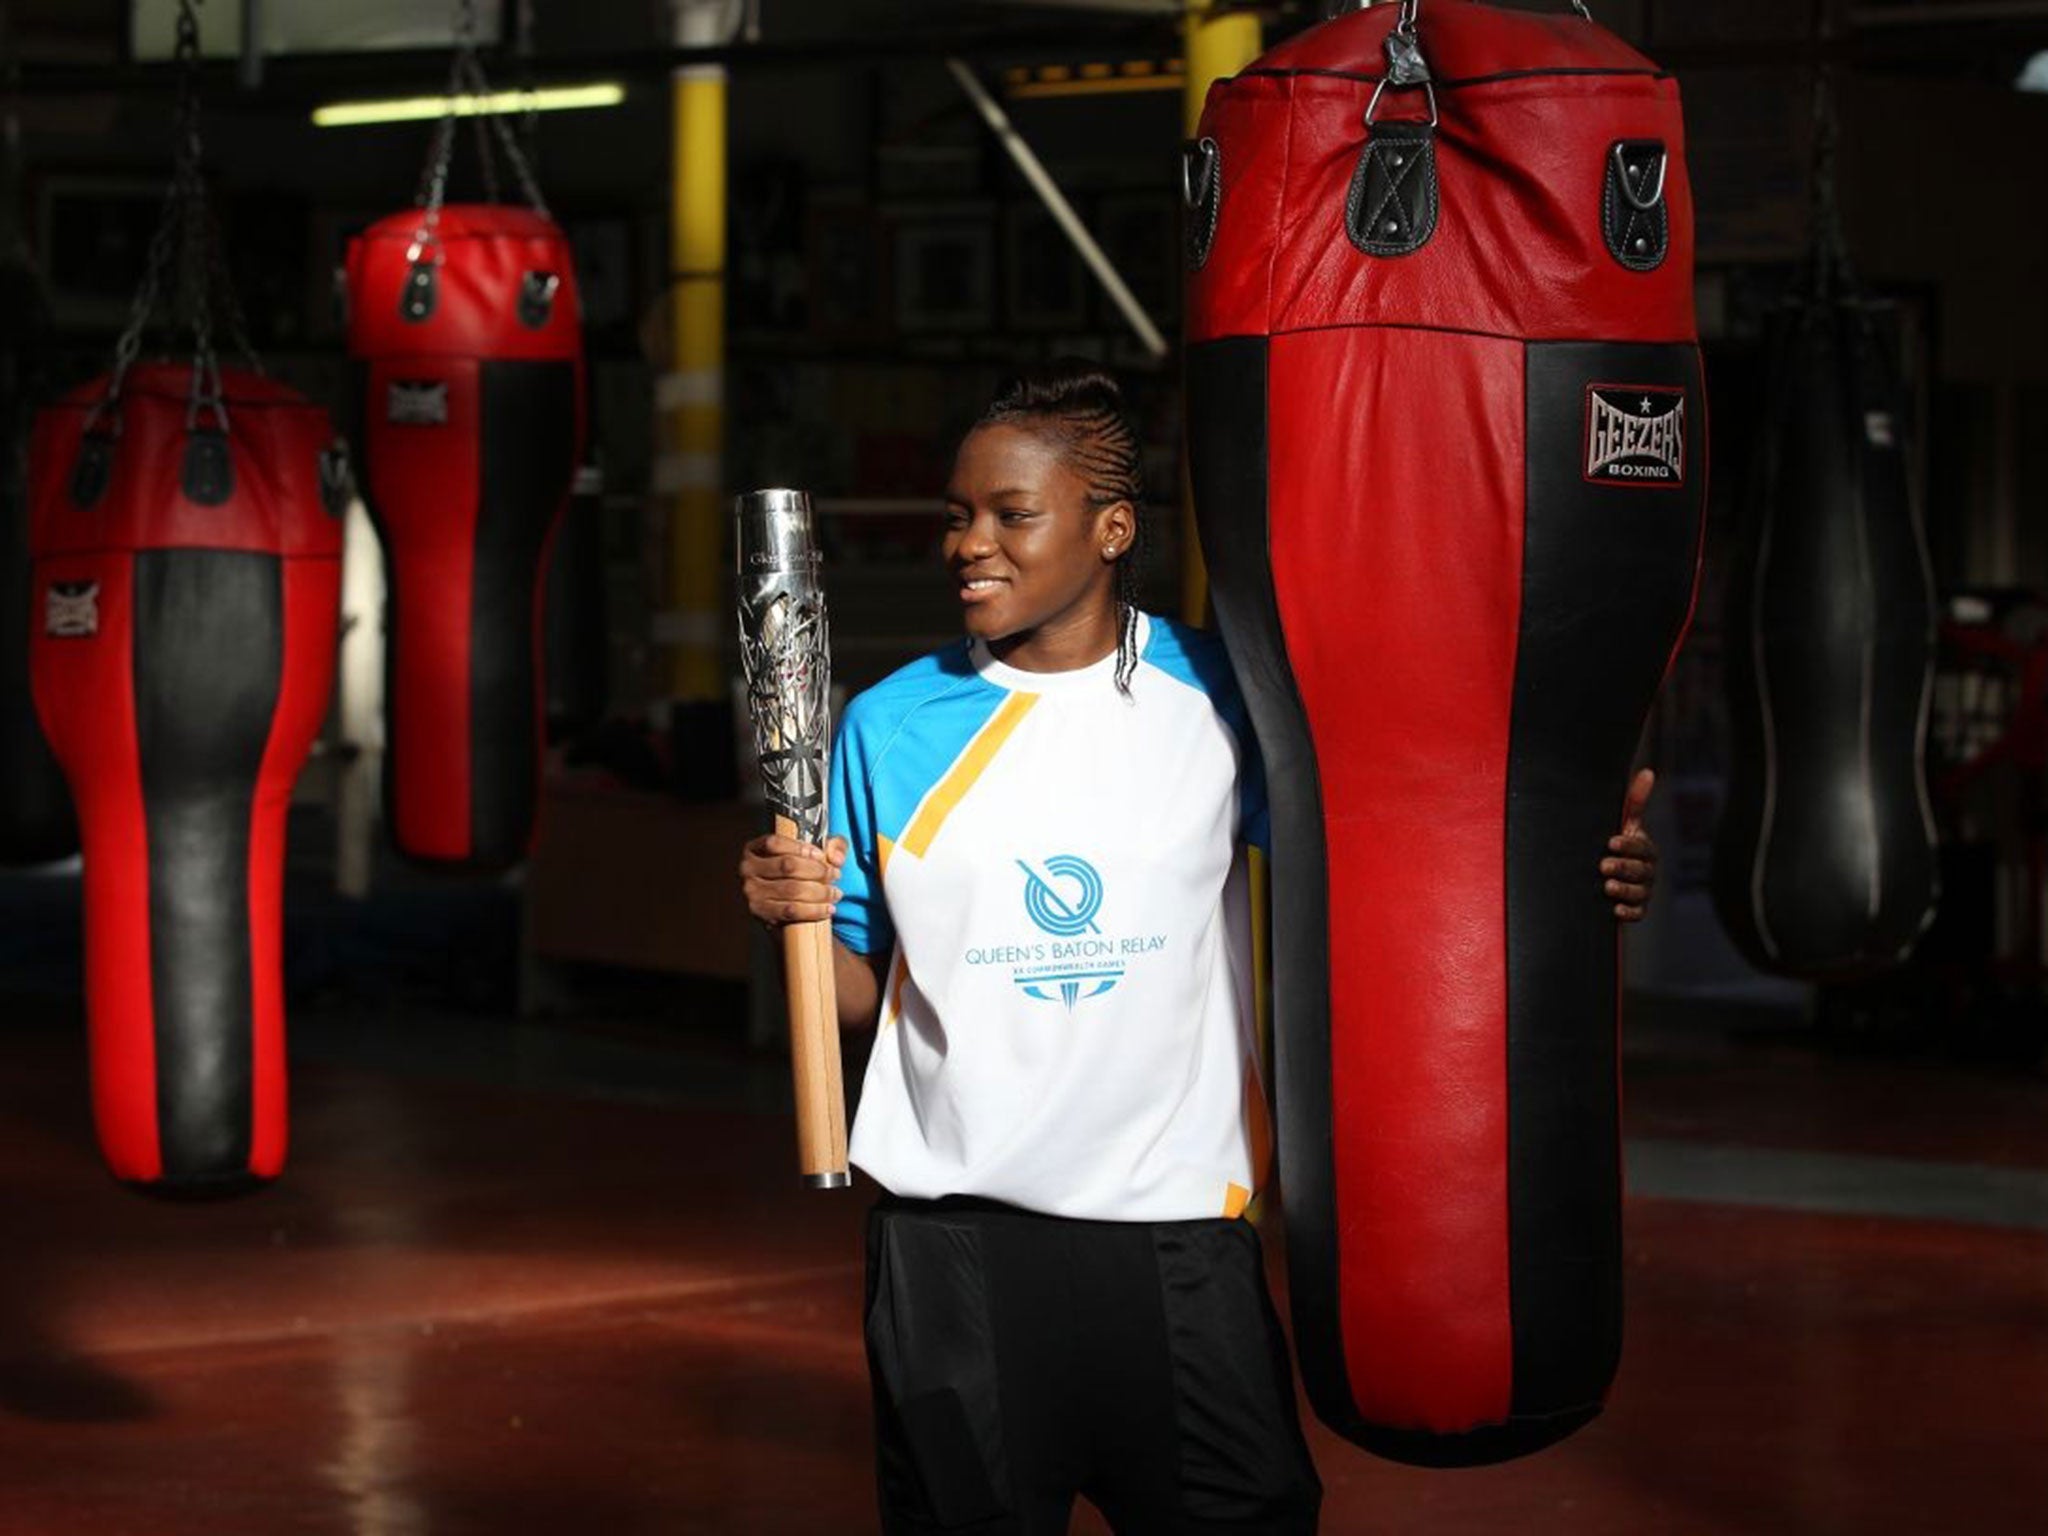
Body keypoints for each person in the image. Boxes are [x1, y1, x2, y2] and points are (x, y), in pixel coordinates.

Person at [738, 363, 1660, 1534]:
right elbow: (861, 998)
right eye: (957, 516)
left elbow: (1389, 875)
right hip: (952, 1253)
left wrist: (1580, 883)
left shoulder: (1230, 697)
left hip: (1176, 1245)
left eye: (1010, 514)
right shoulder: (886, 722)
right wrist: (795, 921)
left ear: (1111, 527)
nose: (969, 544)